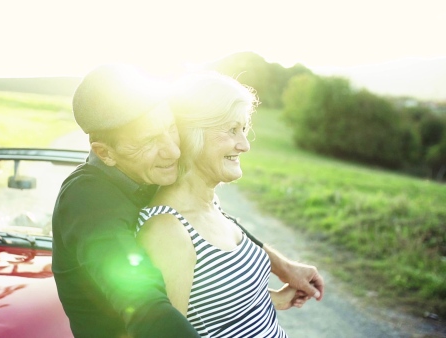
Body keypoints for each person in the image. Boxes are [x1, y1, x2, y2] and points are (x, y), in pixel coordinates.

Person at [52, 64, 324, 338]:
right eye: (149, 142)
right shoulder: (88, 201)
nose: (173, 151)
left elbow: (214, 223)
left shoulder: (153, 176)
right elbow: (146, 306)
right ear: (106, 153)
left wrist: (283, 270)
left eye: (172, 129)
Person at [137, 71, 303, 337]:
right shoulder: (168, 230)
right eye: (232, 130)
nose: (245, 145)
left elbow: (213, 306)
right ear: (193, 134)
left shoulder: (209, 204)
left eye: (244, 130)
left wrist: (277, 299)